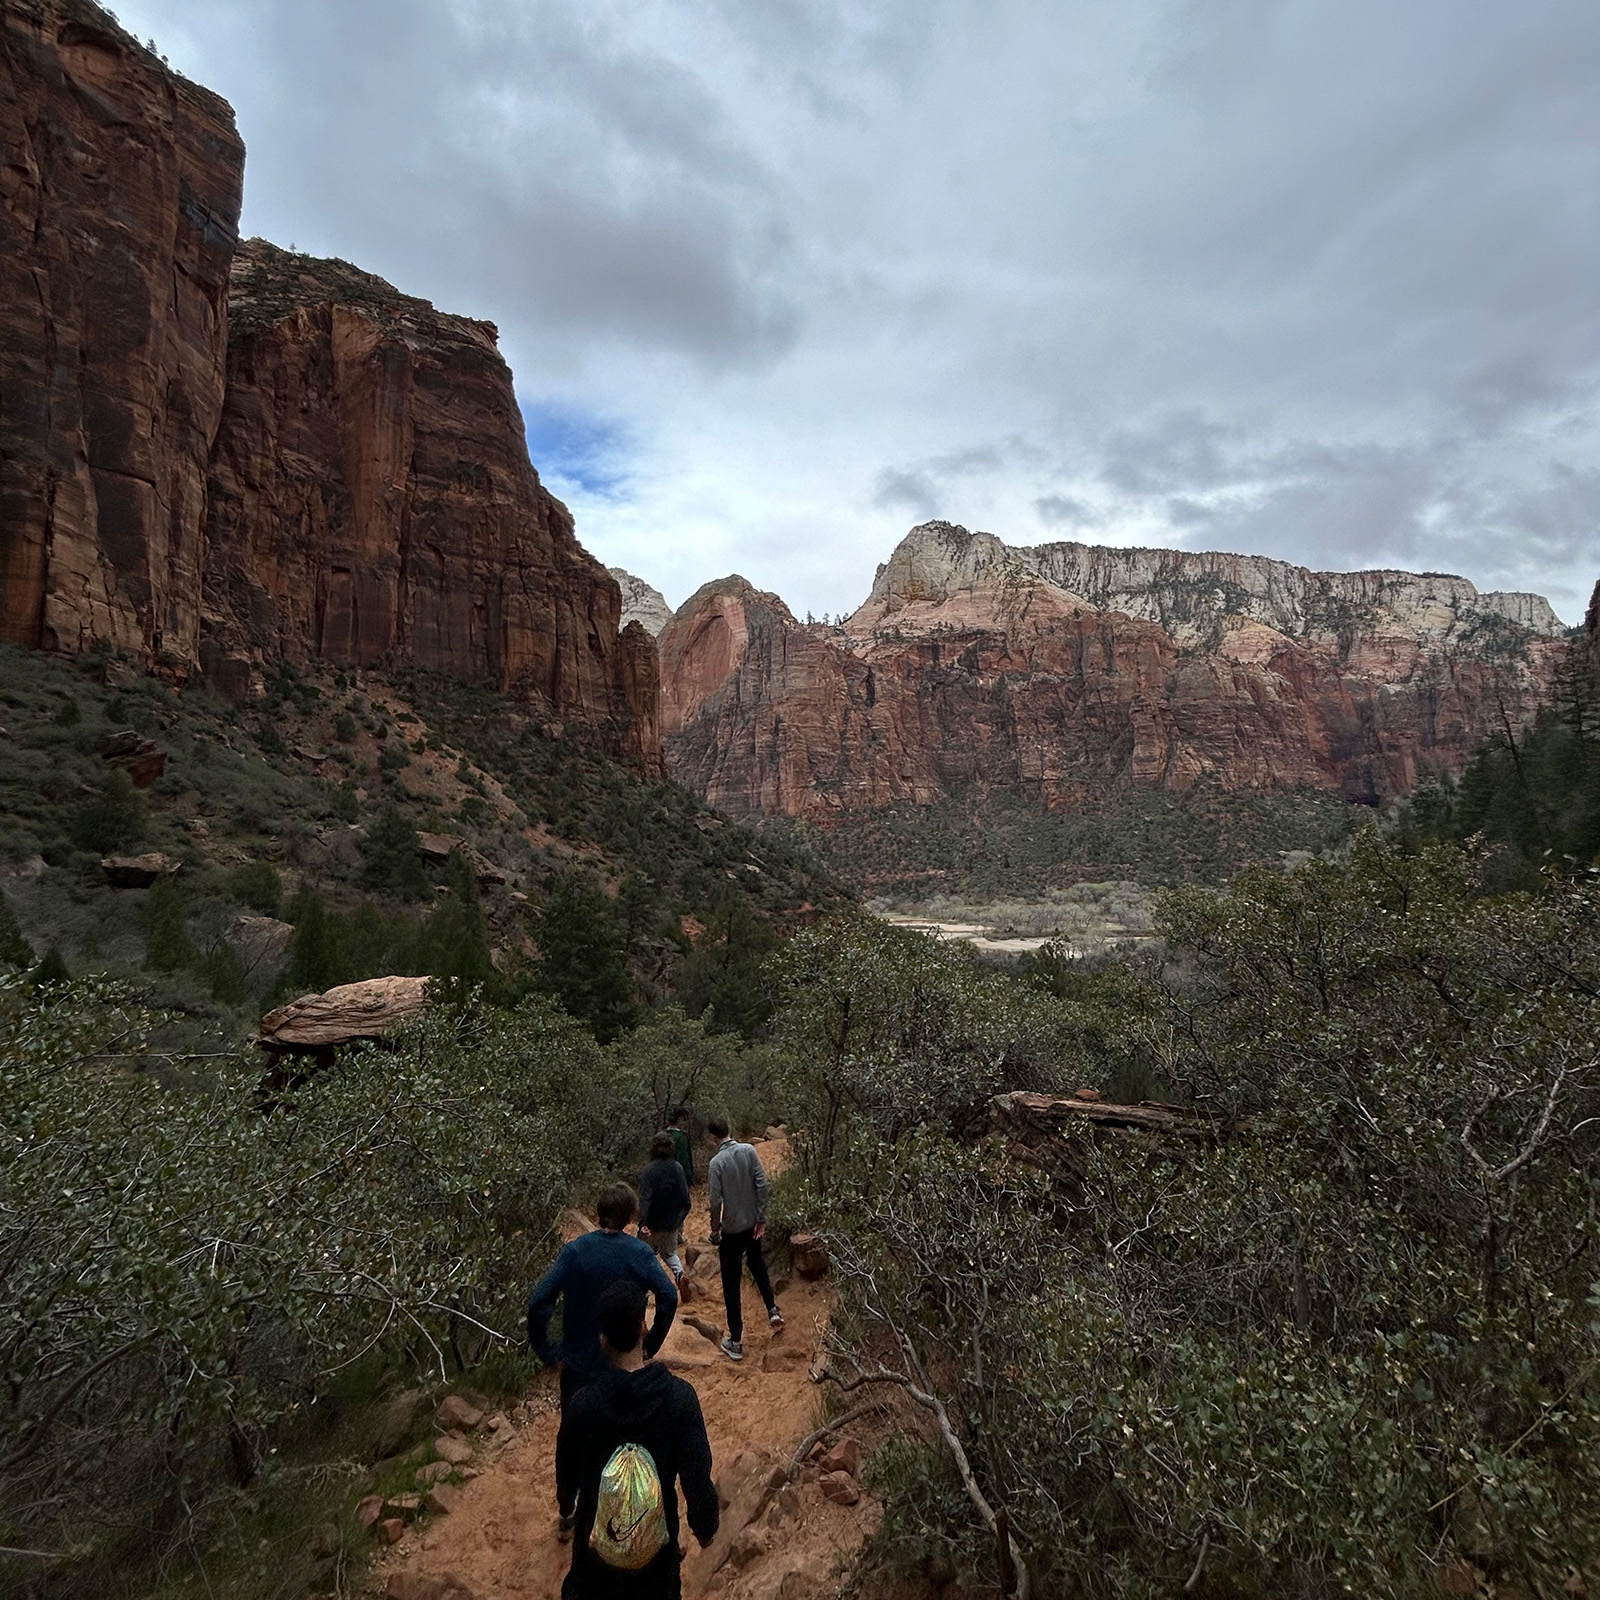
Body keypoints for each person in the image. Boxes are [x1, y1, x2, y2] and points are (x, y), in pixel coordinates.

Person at [555, 1278, 718, 1598]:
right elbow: (697, 1476)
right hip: (656, 1563)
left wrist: (566, 1505)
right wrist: (704, 1527)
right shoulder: (679, 1398)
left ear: (603, 1340)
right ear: (644, 1327)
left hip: (595, 1561)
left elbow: (567, 1471)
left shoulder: (584, 1405)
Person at [528, 1181, 679, 1432]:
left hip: (578, 1369)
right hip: (623, 1370)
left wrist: (547, 1352)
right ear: (631, 1214)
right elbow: (669, 1295)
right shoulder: (639, 1253)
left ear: (600, 1212)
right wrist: (651, 1343)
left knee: (575, 1449)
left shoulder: (575, 1251)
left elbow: (538, 1302)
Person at [705, 1116, 781, 1362]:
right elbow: (762, 1183)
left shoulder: (716, 1163)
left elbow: (716, 1201)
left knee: (731, 1282)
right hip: (752, 1224)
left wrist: (715, 1228)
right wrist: (761, 1216)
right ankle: (772, 1309)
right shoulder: (749, 1151)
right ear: (729, 1129)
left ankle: (736, 1341)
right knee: (756, 1261)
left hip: (732, 1230)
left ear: (712, 1137)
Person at [637, 1132, 692, 1283]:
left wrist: (643, 1223)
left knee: (645, 1256)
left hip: (652, 1223)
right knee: (670, 1253)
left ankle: (646, 1290)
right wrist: (677, 1221)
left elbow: (645, 1198)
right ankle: (679, 1274)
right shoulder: (677, 1168)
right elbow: (685, 1200)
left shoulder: (648, 1170)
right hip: (671, 1223)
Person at [665, 1107, 694, 1188]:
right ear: (680, 1118)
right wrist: (689, 1180)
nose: (685, 1122)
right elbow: (684, 1161)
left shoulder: (661, 1135)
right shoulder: (681, 1138)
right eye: (684, 1119)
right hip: (678, 1180)